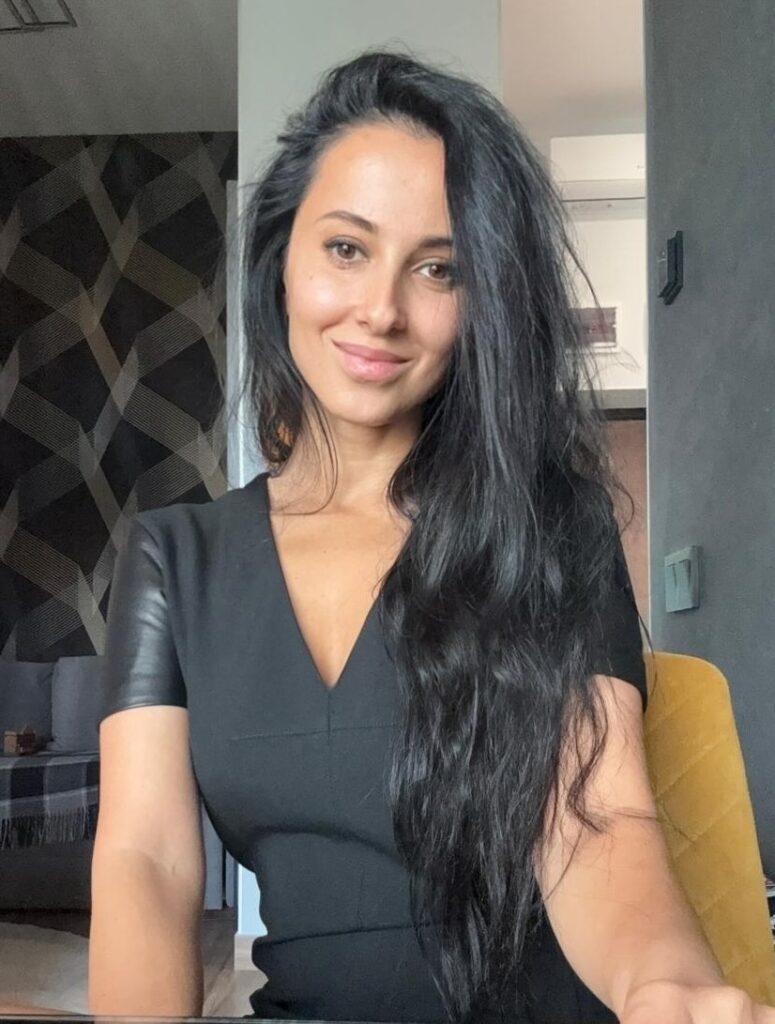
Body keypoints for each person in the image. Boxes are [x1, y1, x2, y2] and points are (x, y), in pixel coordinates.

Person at [89, 50, 772, 1024]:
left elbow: (599, 819)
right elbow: (146, 859)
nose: (381, 309)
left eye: (438, 268)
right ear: (281, 259)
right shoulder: (174, 559)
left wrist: (664, 987)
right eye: (346, 248)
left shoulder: (549, 525)